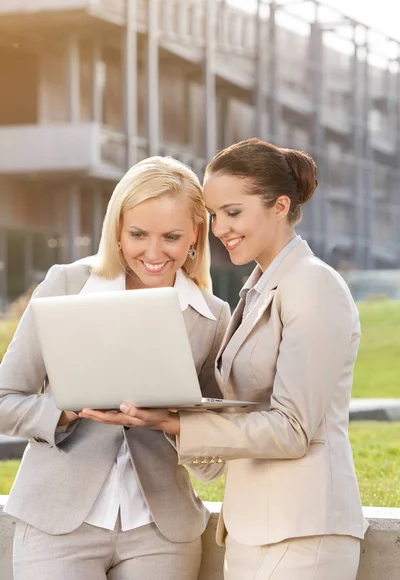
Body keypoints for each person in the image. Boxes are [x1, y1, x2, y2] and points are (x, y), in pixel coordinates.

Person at [97, 138, 369, 580]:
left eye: (233, 212)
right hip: (251, 531)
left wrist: (177, 424)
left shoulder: (314, 285)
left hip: (304, 532)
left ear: (280, 206)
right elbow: (238, 421)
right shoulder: (257, 291)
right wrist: (163, 411)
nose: (220, 227)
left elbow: (293, 428)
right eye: (213, 214)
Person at [0, 155, 230, 580]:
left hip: (162, 532)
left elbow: (212, 453)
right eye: (138, 234)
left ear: (195, 234)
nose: (154, 252)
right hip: (57, 525)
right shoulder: (67, 285)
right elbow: (4, 399)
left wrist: (170, 423)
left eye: (172, 236)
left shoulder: (212, 317)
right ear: (117, 231)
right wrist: (67, 410)